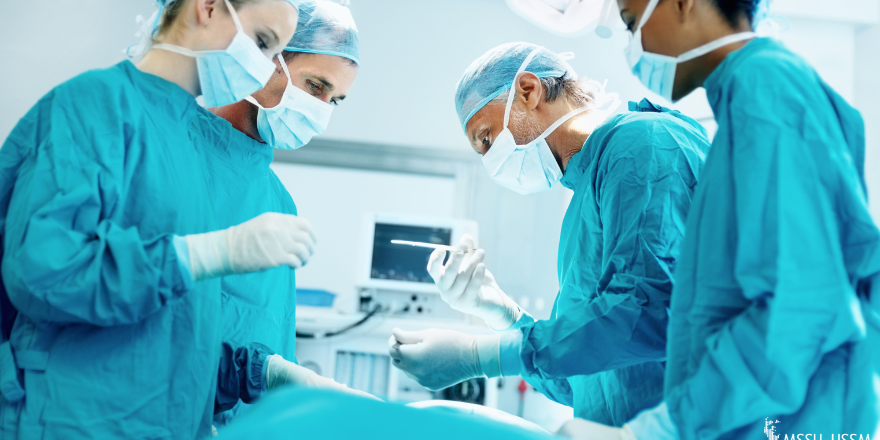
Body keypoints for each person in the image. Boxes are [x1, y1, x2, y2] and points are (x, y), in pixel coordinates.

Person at [561, 0, 880, 438]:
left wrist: (657, 429)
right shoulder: (749, 94)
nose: (632, 46)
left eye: (632, 23)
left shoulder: (767, 87)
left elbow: (802, 306)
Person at [0, 0, 316, 437]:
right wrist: (203, 254)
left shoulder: (186, 146)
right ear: (207, 7)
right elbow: (42, 272)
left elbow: (169, 327)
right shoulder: (95, 103)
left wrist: (259, 373)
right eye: (261, 43)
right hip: (70, 419)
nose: (264, 73)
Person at [389, 42, 710, 427]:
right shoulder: (585, 199)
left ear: (529, 90)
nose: (491, 160)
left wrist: (481, 355)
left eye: (487, 138)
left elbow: (650, 313)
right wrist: (504, 315)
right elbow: (580, 380)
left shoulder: (647, 147)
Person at [197, 0, 365, 427]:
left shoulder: (279, 204)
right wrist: (256, 373)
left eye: (337, 100)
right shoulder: (174, 156)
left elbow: (271, 339)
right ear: (267, 58)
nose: (323, 110)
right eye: (315, 86)